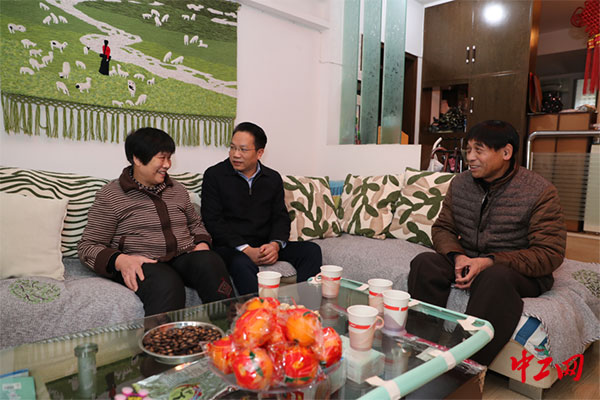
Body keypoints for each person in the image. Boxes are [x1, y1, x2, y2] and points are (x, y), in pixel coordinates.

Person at [407, 120, 566, 365]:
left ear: (506, 152)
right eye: (468, 150)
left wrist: (490, 261)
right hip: (470, 257)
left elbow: (549, 253)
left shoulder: (539, 191)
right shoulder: (460, 184)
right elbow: (443, 228)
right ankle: (419, 347)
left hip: (515, 270)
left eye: (479, 150)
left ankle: (463, 364)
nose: (470, 157)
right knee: (424, 263)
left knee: (494, 278)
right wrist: (457, 256)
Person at [78, 127, 234, 316]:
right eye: (162, 158)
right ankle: (161, 337)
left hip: (182, 256)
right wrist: (121, 260)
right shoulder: (111, 195)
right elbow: (88, 246)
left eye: (169, 158)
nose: (167, 165)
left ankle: (230, 328)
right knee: (167, 283)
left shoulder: (177, 190)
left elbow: (195, 224)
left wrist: (202, 244)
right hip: (142, 261)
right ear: (137, 159)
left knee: (210, 261)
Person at [201, 122, 322, 294]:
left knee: (311, 251)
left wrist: (275, 245)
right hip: (230, 247)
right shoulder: (214, 175)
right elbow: (213, 221)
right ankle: (257, 310)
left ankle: (306, 306)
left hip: (265, 244)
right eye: (232, 148)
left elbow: (280, 217)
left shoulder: (272, 178)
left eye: (243, 149)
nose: (235, 154)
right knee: (241, 264)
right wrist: (246, 249)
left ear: (259, 153)